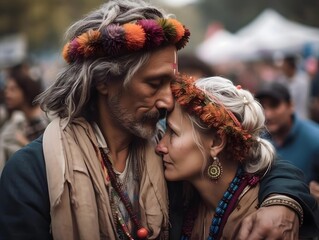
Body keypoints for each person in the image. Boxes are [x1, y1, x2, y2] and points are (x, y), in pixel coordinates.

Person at [0, 1, 318, 239]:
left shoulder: (167, 154)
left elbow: (257, 161)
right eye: (154, 84)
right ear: (104, 81)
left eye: (170, 82)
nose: (168, 100)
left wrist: (283, 201)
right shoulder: (33, 172)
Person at [155, 74, 318, 239]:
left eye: (173, 133)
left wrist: (285, 201)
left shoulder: (262, 225)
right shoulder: (185, 195)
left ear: (216, 142)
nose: (160, 146)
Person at [255, 81, 319, 204]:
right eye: (262, 107)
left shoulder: (315, 139)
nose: (267, 114)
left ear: (291, 106)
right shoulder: (258, 141)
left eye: (274, 105)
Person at [0, 64, 49, 174]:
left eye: (12, 89)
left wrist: (24, 142)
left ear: (25, 90)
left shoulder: (40, 119)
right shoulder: (23, 118)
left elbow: (46, 156)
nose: (7, 94)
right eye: (6, 89)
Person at [277, 55, 311, 119]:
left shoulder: (303, 80)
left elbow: (302, 102)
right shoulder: (281, 80)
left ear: (290, 66)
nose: (282, 67)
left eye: (284, 64)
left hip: (301, 116)